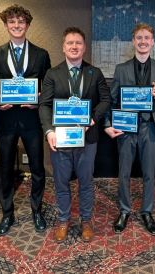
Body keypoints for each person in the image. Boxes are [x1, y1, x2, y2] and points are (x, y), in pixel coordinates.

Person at [39, 27, 111, 243]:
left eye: (78, 43)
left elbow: (106, 100)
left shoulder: (94, 72)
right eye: (70, 43)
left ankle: (86, 220)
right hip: (61, 138)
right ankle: (63, 220)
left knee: (86, 182)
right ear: (63, 47)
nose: (74, 46)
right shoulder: (52, 73)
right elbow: (44, 105)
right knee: (61, 182)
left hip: (87, 138)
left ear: (84, 47)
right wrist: (49, 131)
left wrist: (93, 118)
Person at [0, 4, 51, 236]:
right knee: (5, 168)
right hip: (5, 118)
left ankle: (37, 210)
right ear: (6, 25)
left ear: (28, 25)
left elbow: (48, 87)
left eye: (21, 21)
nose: (16, 25)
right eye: (12, 22)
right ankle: (7, 213)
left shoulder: (42, 54)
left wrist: (40, 100)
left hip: (32, 119)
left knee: (37, 168)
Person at [104, 23, 155, 235]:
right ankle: (124, 209)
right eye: (139, 38)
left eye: (147, 38)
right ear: (133, 41)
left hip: (149, 127)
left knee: (149, 173)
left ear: (152, 42)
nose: (143, 41)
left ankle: (146, 211)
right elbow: (111, 99)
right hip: (126, 127)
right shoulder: (121, 69)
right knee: (124, 172)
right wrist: (108, 123)